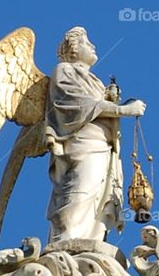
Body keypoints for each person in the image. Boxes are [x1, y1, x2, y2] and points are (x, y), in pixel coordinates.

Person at [44, 27, 145, 243]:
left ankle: (93, 242)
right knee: (81, 187)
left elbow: (97, 105)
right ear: (73, 50)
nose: (93, 47)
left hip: (103, 145)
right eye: (87, 43)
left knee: (100, 196)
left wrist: (110, 101)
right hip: (81, 145)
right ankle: (66, 240)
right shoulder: (63, 70)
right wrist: (122, 110)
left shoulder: (97, 82)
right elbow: (75, 103)